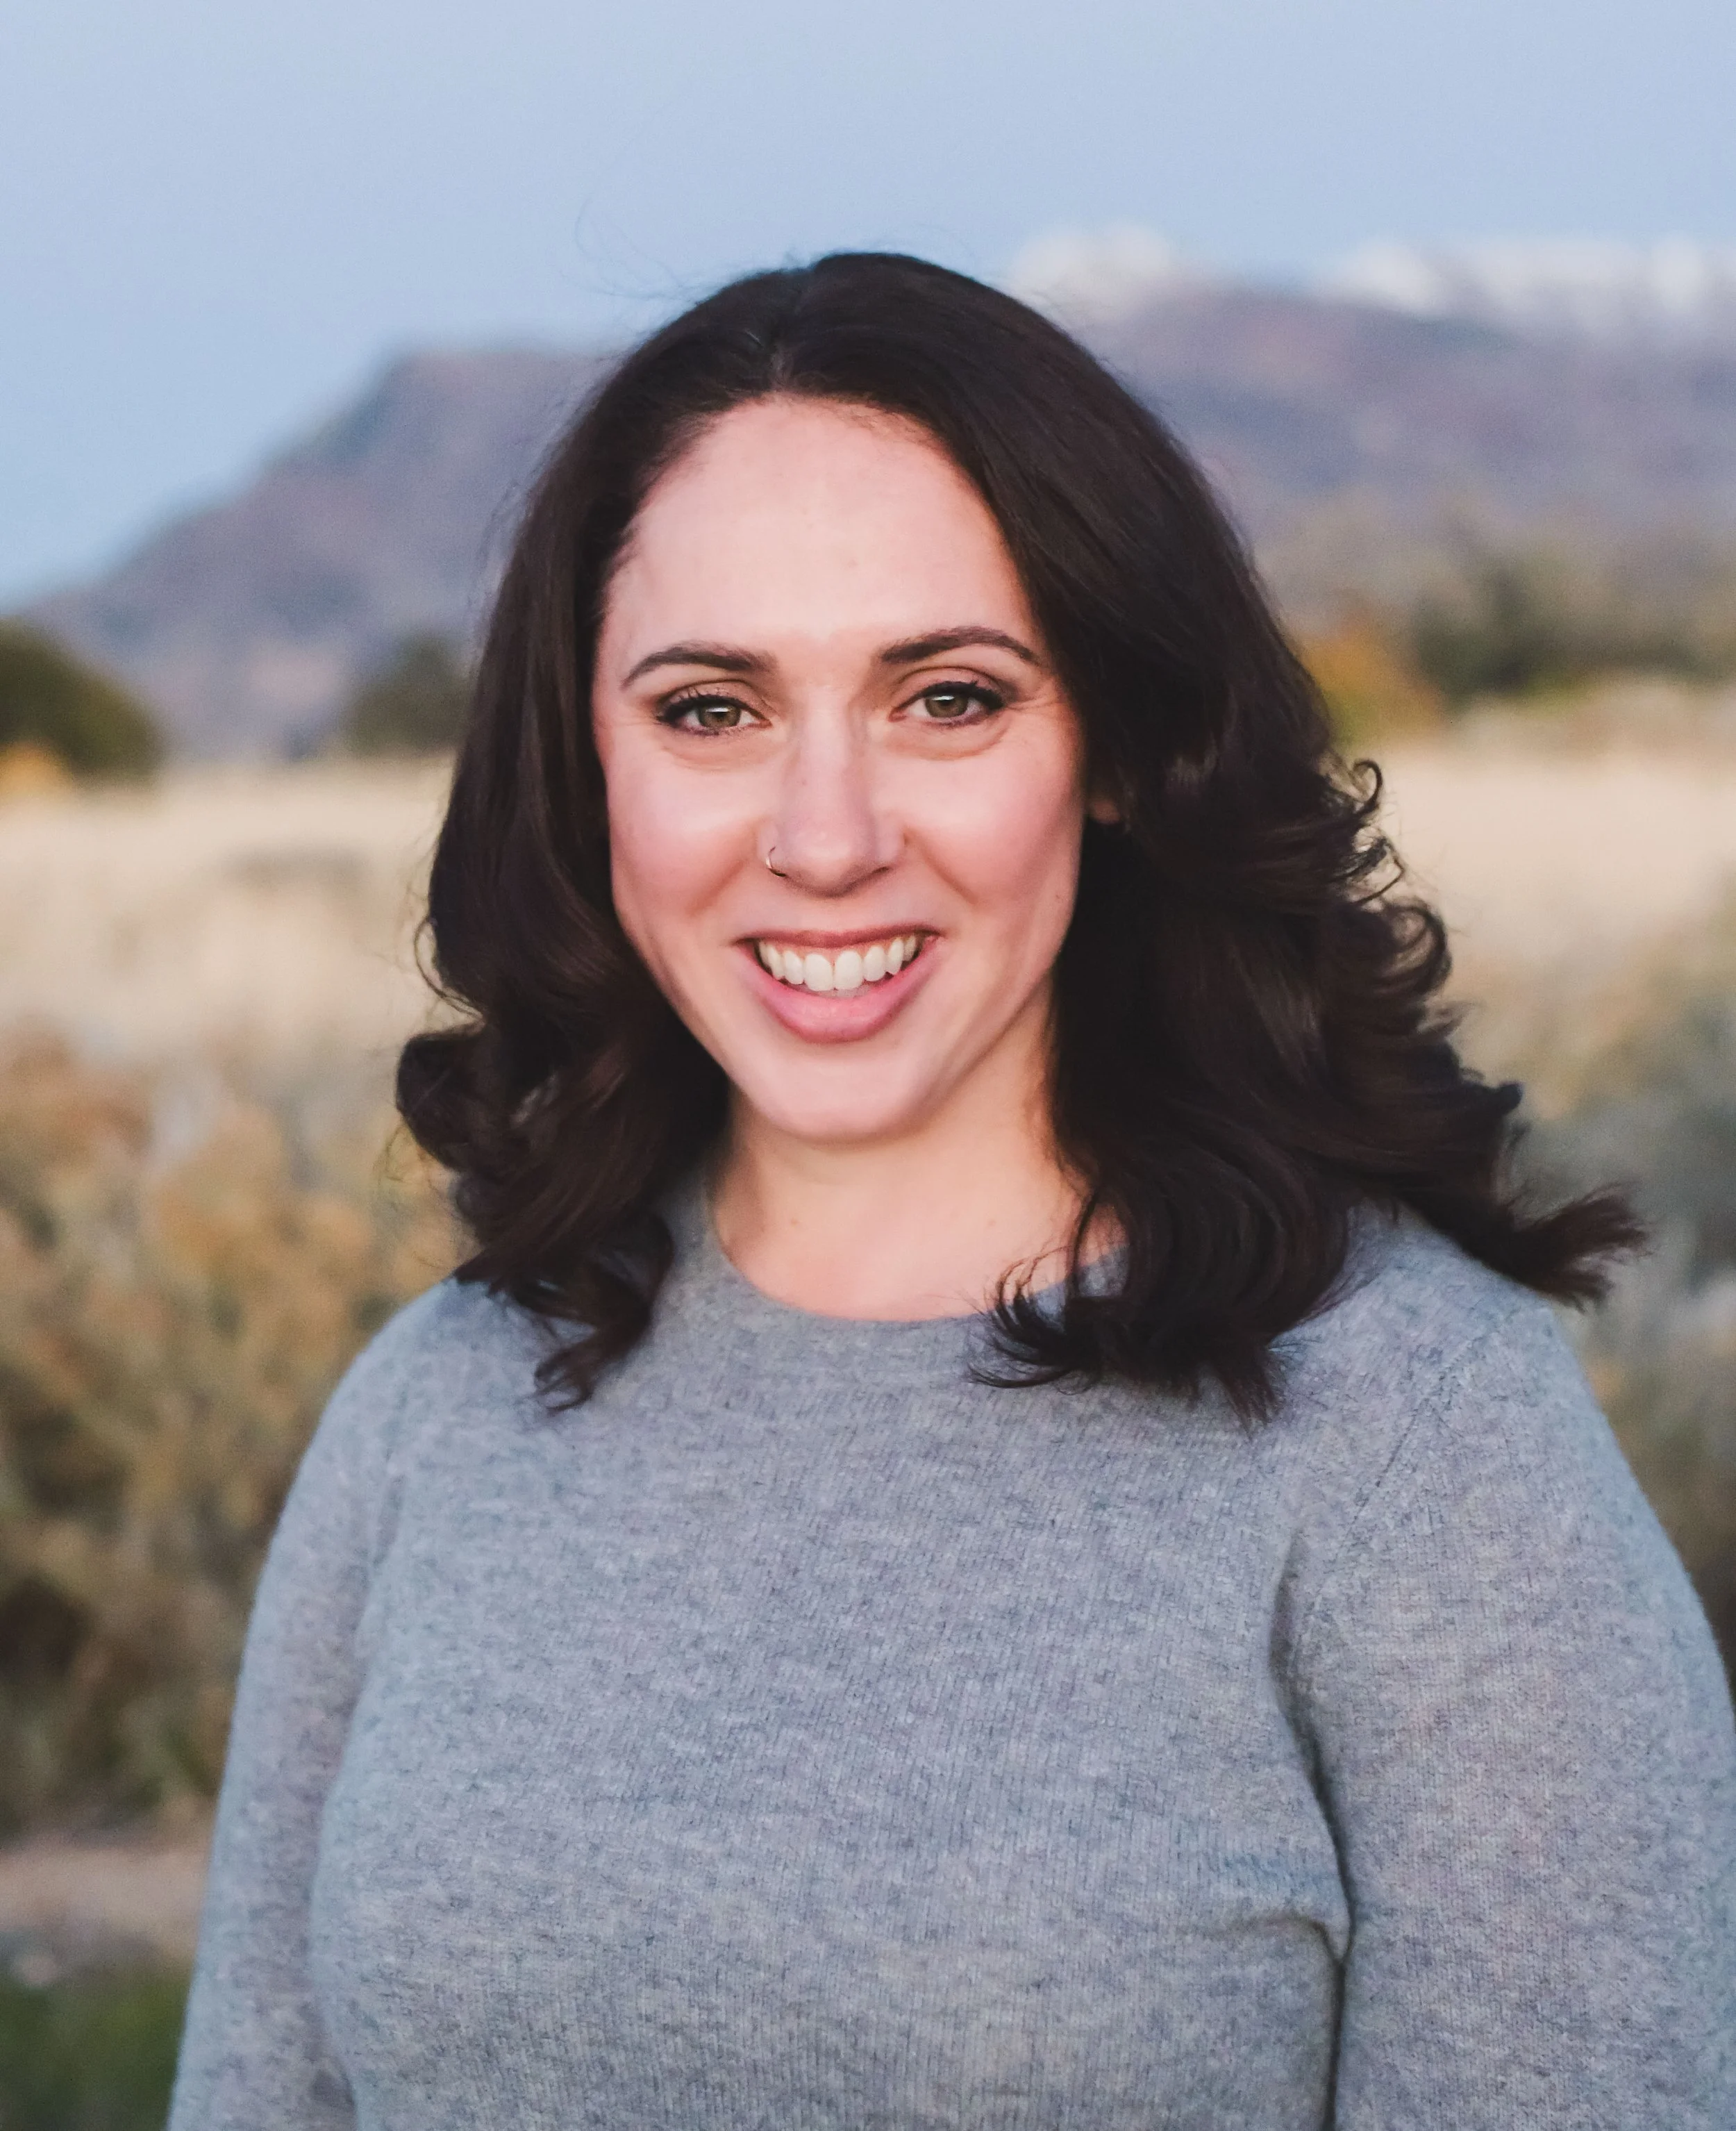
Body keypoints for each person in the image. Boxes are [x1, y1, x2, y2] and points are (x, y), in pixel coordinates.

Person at [169, 253, 1735, 2130]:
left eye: (947, 696)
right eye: (707, 709)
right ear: (583, 766)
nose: (826, 838)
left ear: (1116, 755)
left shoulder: (1414, 1442)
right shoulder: (438, 1403)